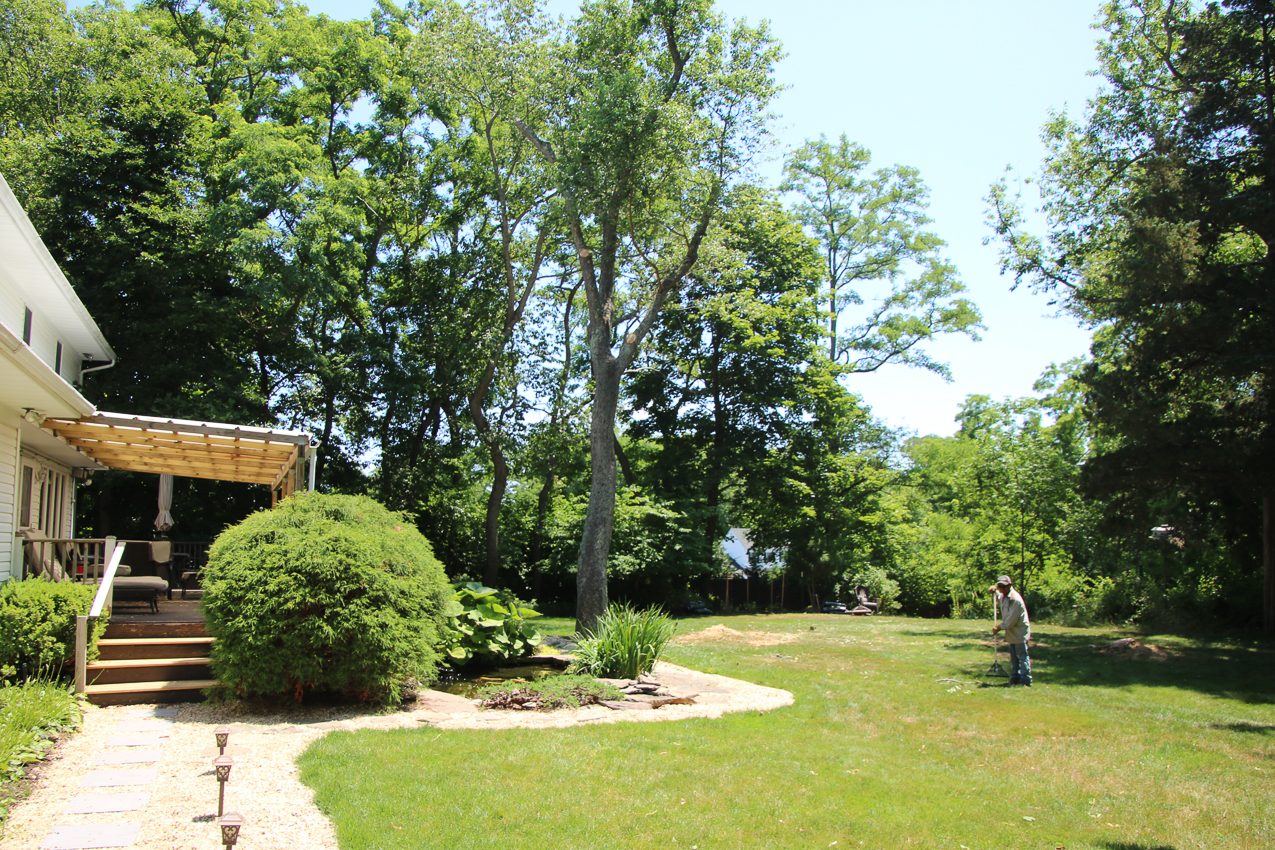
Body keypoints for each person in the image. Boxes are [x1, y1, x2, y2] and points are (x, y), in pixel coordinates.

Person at [989, 575, 1032, 686]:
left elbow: (1010, 621)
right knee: (1013, 657)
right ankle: (1015, 678)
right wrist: (993, 591)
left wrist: (998, 628)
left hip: (1019, 631)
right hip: (1011, 632)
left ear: (1009, 586)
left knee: (1022, 656)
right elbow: (998, 597)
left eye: (1003, 587)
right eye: (999, 587)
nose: (1001, 589)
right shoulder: (1004, 595)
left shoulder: (1015, 600)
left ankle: (1026, 680)